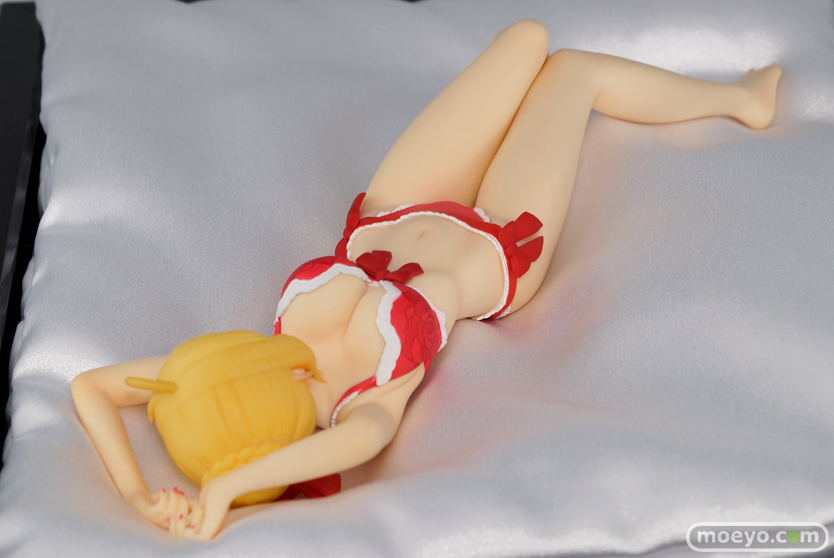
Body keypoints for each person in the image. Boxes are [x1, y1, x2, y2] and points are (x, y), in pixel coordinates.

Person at [70, 19, 781, 540]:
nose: (225, 352)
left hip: (393, 209)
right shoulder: (362, 406)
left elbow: (91, 387)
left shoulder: (251, 361)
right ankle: (742, 102)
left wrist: (135, 494)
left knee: (525, 40)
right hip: (501, 240)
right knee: (571, 72)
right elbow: (351, 449)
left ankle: (736, 99)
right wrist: (225, 491)